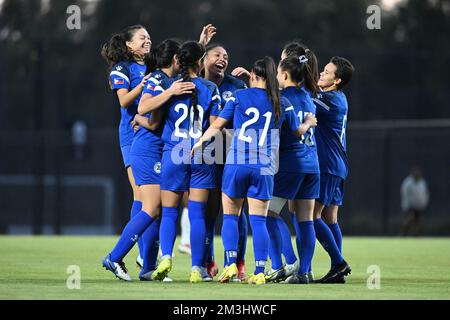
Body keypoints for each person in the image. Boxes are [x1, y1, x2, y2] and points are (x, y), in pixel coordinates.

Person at [192, 56, 316, 285]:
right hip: (265, 168)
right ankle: (259, 271)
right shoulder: (281, 101)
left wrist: (199, 142)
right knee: (259, 222)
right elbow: (296, 133)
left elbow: (217, 125)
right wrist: (308, 123)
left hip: (237, 164)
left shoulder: (239, 97)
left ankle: (229, 265)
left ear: (252, 75)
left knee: (230, 217)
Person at [139, 41, 221, 283]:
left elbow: (153, 118)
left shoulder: (171, 87)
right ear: (200, 62)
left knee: (169, 213)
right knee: (197, 215)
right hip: (202, 153)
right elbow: (215, 124)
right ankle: (197, 267)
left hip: (174, 151)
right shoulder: (210, 88)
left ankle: (166, 257)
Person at [101, 25, 152, 279]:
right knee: (144, 198)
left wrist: (200, 42)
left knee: (145, 199)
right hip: (133, 138)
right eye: (142, 38)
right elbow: (123, 101)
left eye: (149, 37)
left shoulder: (152, 65)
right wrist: (143, 85)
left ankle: (140, 255)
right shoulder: (121, 68)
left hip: (153, 137)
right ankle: (124, 255)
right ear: (129, 45)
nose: (148, 41)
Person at [130, 39, 183, 281]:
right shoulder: (157, 79)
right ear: (174, 59)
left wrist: (201, 44)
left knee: (156, 209)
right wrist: (140, 120)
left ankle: (148, 267)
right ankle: (115, 256)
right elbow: (143, 109)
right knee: (151, 207)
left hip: (160, 150)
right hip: (148, 149)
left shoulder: (172, 80)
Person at [265, 53, 320, 284]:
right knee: (306, 220)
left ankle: (288, 262)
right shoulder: (309, 97)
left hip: (290, 163)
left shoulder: (281, 98)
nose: (276, 76)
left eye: (278, 72)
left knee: (267, 213)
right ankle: (304, 272)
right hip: (312, 164)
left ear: (285, 74)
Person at [202, 43, 248, 281]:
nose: (223, 59)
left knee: (237, 212)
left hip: (233, 155)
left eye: (226, 56)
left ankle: (239, 263)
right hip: (205, 155)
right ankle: (208, 261)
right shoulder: (195, 83)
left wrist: (253, 80)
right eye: (217, 54)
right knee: (208, 211)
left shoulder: (238, 85)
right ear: (204, 59)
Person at [312, 56, 354, 283]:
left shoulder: (330, 101)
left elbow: (306, 99)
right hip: (338, 165)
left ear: (336, 80)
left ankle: (339, 263)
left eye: (326, 72)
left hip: (328, 165)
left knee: (310, 215)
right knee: (330, 217)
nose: (321, 74)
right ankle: (336, 269)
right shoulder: (339, 97)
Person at [401, 166, 429, 236]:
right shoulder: (408, 183)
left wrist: (424, 203)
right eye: (416, 173)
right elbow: (405, 194)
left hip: (420, 206)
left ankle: (415, 235)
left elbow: (425, 193)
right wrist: (406, 205)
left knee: (419, 222)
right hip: (410, 206)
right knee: (410, 218)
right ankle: (404, 233)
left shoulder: (422, 182)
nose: (417, 174)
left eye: (418, 173)